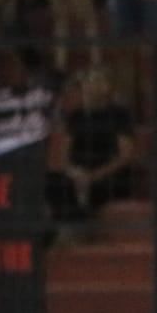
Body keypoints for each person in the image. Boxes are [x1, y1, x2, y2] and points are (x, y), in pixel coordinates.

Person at [45, 67, 136, 219]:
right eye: (88, 82)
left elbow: (125, 156)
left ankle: (78, 225)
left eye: (97, 81)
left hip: (108, 174)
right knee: (52, 181)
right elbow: (64, 155)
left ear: (108, 87)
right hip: (78, 173)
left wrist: (93, 176)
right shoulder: (76, 116)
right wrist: (73, 172)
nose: (91, 86)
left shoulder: (120, 114)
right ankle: (71, 226)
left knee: (88, 188)